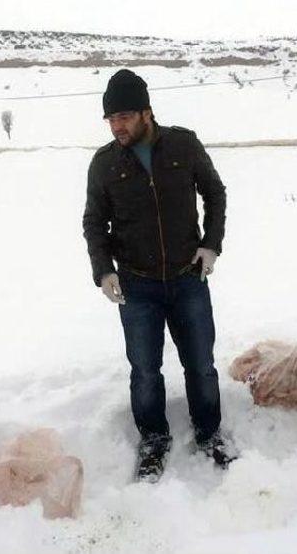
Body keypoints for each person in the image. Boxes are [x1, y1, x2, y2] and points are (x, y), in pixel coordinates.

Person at [83, 69, 234, 481]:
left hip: (189, 277)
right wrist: (103, 271)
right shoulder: (104, 164)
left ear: (147, 112)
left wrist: (211, 243)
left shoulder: (182, 145)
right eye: (111, 119)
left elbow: (215, 193)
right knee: (145, 371)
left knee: (201, 364)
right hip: (137, 284)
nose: (118, 126)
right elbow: (94, 222)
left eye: (126, 116)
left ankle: (209, 431)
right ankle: (153, 438)